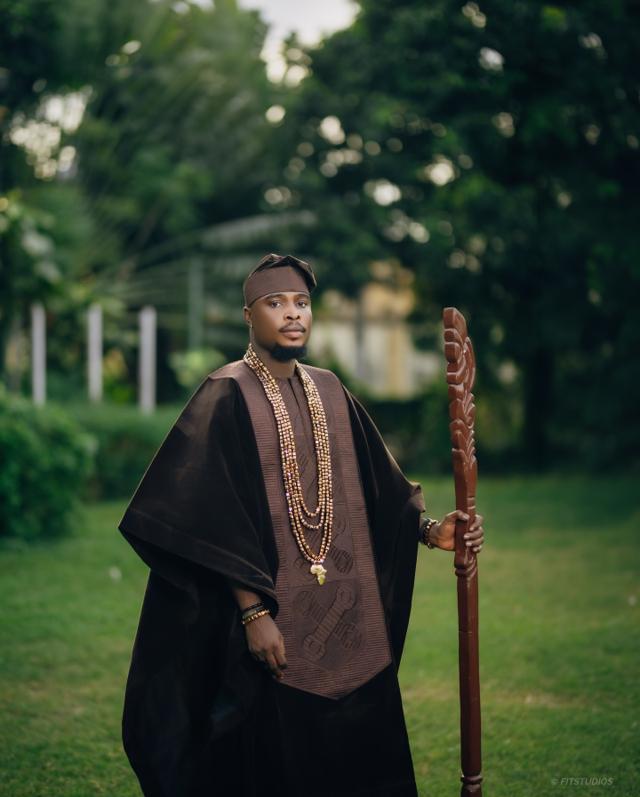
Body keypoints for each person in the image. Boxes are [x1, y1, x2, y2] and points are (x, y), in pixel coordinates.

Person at [118, 252, 484, 797]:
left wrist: (432, 531)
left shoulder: (331, 389)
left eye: (302, 303)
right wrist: (253, 612)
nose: (293, 314)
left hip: (353, 626)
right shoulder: (225, 393)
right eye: (276, 303)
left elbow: (380, 489)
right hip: (278, 629)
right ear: (250, 315)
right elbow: (211, 518)